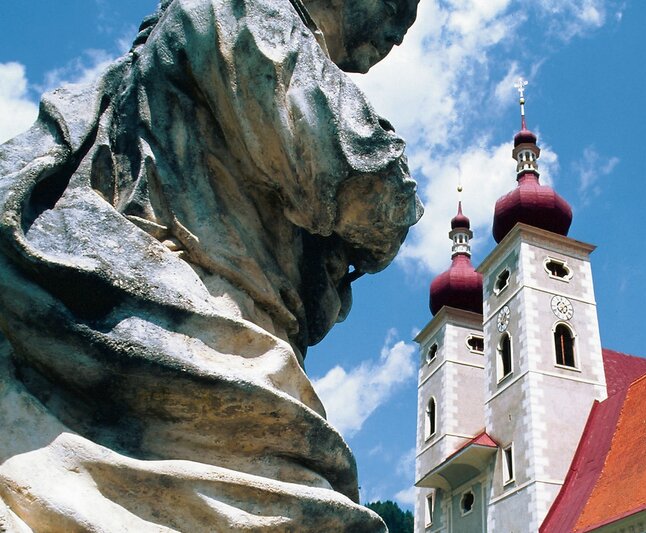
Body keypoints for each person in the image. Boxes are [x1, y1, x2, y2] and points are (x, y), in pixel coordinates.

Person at [0, 0, 420, 530]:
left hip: (199, 325)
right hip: (198, 324)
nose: (401, 30)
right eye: (399, 4)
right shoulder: (247, 12)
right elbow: (364, 183)